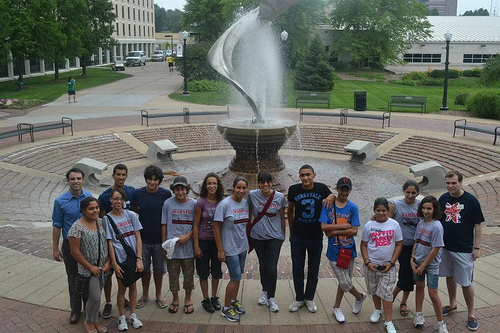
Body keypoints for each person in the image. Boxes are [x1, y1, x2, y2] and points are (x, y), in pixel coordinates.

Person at [438, 170, 484, 331]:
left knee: (466, 282)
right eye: (448, 183)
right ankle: (452, 304)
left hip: (464, 249)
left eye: (454, 183)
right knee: (449, 277)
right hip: (445, 247)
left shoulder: (471, 201)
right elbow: (436, 218)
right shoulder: (443, 198)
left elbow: (478, 225)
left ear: (461, 183)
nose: (450, 186)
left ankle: (471, 314)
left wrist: (476, 248)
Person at [319, 177, 366, 323]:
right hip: (334, 251)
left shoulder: (353, 207)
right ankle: (360, 297)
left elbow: (354, 231)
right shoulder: (328, 205)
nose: (344, 192)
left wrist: (334, 233)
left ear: (350, 190)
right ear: (337, 188)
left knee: (345, 281)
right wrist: (343, 227)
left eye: (347, 189)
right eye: (342, 189)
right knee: (344, 282)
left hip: (348, 250)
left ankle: (336, 307)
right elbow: (323, 227)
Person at [287, 164, 332, 313]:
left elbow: (333, 197)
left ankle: (309, 298)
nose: (305, 178)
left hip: (315, 236)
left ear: (314, 175)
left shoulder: (322, 189)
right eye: (302, 175)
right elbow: (290, 210)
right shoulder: (293, 190)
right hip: (298, 236)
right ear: (299, 177)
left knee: (313, 269)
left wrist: (332, 195)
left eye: (308, 174)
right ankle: (299, 298)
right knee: (297, 268)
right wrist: (292, 232)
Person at [52, 167, 92, 325]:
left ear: (83, 180)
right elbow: (57, 226)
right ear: (68, 181)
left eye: (78, 178)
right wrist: (55, 248)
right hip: (70, 246)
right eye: (72, 179)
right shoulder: (60, 201)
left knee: (88, 277)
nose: (76, 181)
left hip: (87, 245)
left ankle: (90, 309)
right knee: (73, 278)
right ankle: (75, 310)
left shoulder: (89, 197)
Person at [98, 163, 135, 318]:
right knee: (109, 274)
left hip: (126, 243)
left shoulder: (132, 192)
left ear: (126, 176)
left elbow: (135, 213)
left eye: (123, 174)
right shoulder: (104, 196)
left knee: (125, 275)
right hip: (110, 242)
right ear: (113, 175)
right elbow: (102, 219)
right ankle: (108, 302)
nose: (120, 177)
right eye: (118, 174)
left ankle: (123, 297)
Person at [103, 188, 144, 331]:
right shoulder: (107, 219)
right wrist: (114, 263)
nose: (118, 201)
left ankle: (133, 314)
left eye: (120, 199)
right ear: (111, 200)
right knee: (122, 288)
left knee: (133, 286)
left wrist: (139, 258)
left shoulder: (132, 215)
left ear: (124, 201)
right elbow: (109, 242)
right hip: (120, 259)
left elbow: (138, 237)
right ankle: (121, 317)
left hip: (133, 256)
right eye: (115, 199)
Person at [132, 165, 172, 309]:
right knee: (144, 270)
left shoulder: (166, 194)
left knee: (159, 270)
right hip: (143, 239)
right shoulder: (138, 194)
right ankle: (145, 294)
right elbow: (135, 212)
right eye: (150, 179)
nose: (152, 182)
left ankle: (159, 294)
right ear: (146, 179)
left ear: (159, 181)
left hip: (160, 240)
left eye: (155, 179)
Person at [68, 197, 110, 333]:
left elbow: (109, 244)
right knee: (95, 297)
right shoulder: (77, 227)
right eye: (91, 208)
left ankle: (95, 321)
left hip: (103, 269)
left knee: (97, 297)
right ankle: (89, 321)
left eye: (97, 207)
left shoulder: (102, 222)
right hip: (89, 270)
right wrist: (90, 267)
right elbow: (75, 252)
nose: (95, 210)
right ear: (84, 210)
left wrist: (108, 261)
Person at [361, 197, 403, 333]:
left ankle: (388, 321)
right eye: (378, 210)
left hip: (388, 266)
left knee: (387, 293)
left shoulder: (394, 225)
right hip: (372, 264)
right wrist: (367, 262)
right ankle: (377, 310)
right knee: (374, 290)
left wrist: (392, 263)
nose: (381, 213)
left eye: (384, 210)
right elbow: (364, 244)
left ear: (387, 210)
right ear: (374, 211)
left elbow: (398, 244)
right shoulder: (369, 225)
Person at [248, 171, 288, 313]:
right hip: (258, 236)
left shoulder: (279, 197)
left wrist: (283, 235)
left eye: (268, 181)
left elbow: (283, 217)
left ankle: (271, 297)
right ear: (258, 183)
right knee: (263, 265)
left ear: (272, 183)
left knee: (272, 267)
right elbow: (247, 211)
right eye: (262, 182)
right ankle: (265, 291)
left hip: (274, 237)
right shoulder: (252, 195)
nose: (265, 184)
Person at [213, 176, 250, 322]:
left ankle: (233, 301)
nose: (241, 190)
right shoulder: (224, 204)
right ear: (233, 188)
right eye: (238, 187)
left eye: (243, 188)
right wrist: (220, 249)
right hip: (229, 248)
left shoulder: (246, 203)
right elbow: (216, 227)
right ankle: (226, 308)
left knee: (238, 276)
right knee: (234, 278)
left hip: (242, 246)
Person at [411, 196, 448, 333]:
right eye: (424, 208)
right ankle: (418, 314)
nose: (426, 211)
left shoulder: (437, 226)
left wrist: (423, 265)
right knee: (419, 287)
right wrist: (412, 259)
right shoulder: (421, 223)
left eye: (429, 208)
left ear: (434, 209)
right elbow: (417, 241)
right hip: (417, 262)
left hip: (430, 265)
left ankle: (440, 322)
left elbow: (436, 249)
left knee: (433, 294)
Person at [161, 176, 197, 314]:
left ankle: (188, 299)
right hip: (172, 247)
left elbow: (196, 225)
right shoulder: (167, 203)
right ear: (173, 190)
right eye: (177, 189)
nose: (180, 192)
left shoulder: (194, 204)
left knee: (188, 275)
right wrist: (163, 244)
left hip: (187, 247)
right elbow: (163, 224)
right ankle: (175, 298)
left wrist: (188, 236)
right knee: (173, 275)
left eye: (182, 189)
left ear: (187, 189)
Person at [193, 173, 224, 313]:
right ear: (205, 186)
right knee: (203, 272)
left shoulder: (222, 202)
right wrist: (196, 245)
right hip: (203, 240)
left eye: (214, 184)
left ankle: (214, 296)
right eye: (209, 183)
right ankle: (205, 298)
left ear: (218, 185)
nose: (212, 186)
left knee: (217, 271)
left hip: (217, 242)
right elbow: (196, 225)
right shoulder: (200, 202)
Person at [390, 180, 421, 317]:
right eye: (408, 192)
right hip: (401, 246)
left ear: (417, 193)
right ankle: (390, 298)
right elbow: (387, 221)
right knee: (405, 274)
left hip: (415, 247)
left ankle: (403, 302)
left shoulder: (420, 206)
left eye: (413, 193)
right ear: (403, 192)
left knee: (410, 276)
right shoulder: (396, 205)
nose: (410, 195)